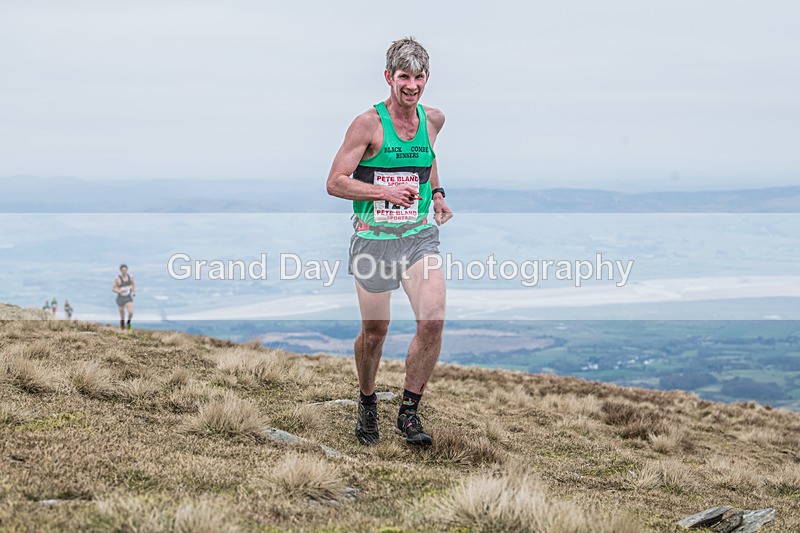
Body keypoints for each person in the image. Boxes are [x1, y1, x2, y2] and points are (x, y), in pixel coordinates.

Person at [326, 37, 453, 446]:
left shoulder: (433, 120)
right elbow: (335, 183)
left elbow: (427, 159)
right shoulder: (368, 124)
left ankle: (409, 414)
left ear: (427, 78)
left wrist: (436, 195)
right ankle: (367, 402)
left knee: (432, 321)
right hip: (374, 241)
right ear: (389, 77)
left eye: (418, 77)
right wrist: (383, 193)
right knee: (376, 331)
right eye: (404, 76)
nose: (411, 85)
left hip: (417, 237)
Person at [112, 264, 136, 330]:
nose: (124, 272)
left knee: (131, 312)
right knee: (122, 315)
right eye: (123, 270)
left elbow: (133, 285)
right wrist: (119, 291)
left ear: (127, 270)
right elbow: (113, 288)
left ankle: (128, 323)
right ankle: (122, 328)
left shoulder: (130, 277)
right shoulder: (118, 278)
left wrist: (133, 291)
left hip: (128, 297)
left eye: (125, 270)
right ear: (120, 270)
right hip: (120, 298)